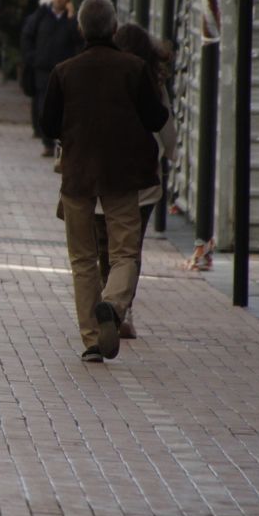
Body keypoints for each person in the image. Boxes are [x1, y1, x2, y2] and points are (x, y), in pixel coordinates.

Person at [42, 0, 169, 364]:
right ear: (114, 28)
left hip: (78, 175)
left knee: (82, 259)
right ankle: (112, 306)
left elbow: (48, 125)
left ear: (81, 28)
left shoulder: (64, 71)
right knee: (124, 252)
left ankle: (94, 340)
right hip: (124, 175)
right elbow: (156, 118)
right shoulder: (133, 68)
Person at [94, 23, 178, 340]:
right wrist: (170, 153)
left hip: (101, 173)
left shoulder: (100, 75)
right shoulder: (152, 81)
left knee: (104, 244)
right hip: (142, 179)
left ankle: (106, 299)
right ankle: (120, 309)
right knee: (130, 250)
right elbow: (165, 124)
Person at [21, 0, 82, 156]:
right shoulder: (41, 16)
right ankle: (47, 142)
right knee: (43, 105)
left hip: (63, 70)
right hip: (43, 69)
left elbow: (78, 40)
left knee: (63, 107)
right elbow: (27, 36)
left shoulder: (71, 20)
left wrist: (71, 18)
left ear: (68, 0)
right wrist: (32, 58)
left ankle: (61, 141)